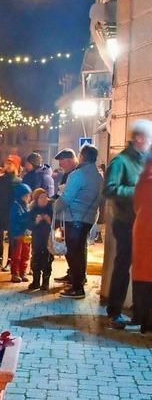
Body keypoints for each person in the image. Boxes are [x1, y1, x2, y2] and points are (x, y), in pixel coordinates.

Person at [104, 119, 152, 328]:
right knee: (124, 265)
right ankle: (114, 310)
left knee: (143, 267)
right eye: (149, 138)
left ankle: (140, 311)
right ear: (139, 139)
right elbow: (109, 189)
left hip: (143, 223)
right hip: (125, 222)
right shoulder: (120, 161)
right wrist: (138, 192)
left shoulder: (145, 160)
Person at [54, 145, 102, 299]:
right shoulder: (98, 176)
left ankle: (77, 288)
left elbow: (66, 198)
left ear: (82, 156)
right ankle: (78, 283)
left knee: (73, 253)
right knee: (79, 252)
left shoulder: (78, 175)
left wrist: (53, 208)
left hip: (73, 218)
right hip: (88, 219)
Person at [51, 148, 80, 284]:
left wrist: (55, 203)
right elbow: (59, 192)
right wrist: (51, 199)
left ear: (69, 160)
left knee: (75, 248)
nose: (60, 164)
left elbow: (66, 195)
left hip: (73, 216)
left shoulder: (74, 174)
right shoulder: (67, 174)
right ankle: (72, 274)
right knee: (69, 246)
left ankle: (77, 277)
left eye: (61, 161)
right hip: (67, 216)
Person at [0, 155, 22, 271]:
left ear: (16, 166)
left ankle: (9, 261)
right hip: (1, 211)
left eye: (10, 164)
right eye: (6, 163)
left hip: (12, 213)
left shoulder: (18, 181)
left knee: (12, 239)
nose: (7, 166)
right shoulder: (0, 179)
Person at [133, 152, 152, 334]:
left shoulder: (142, 179)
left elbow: (136, 204)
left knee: (144, 280)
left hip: (142, 230)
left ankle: (142, 319)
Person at [28, 188, 54, 291]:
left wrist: (49, 221)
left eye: (45, 197)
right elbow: (29, 225)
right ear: (36, 199)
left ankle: (45, 283)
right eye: (41, 197)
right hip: (37, 239)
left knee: (47, 260)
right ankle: (36, 282)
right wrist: (36, 222)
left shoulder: (51, 209)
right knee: (36, 260)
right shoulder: (33, 210)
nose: (44, 199)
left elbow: (56, 225)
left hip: (48, 239)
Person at [9, 183, 32, 283]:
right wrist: (27, 216)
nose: (28, 197)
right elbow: (17, 219)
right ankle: (15, 273)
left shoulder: (27, 206)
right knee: (16, 255)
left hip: (27, 234)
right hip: (18, 234)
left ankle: (23, 271)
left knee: (26, 254)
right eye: (26, 195)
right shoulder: (16, 206)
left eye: (28, 195)